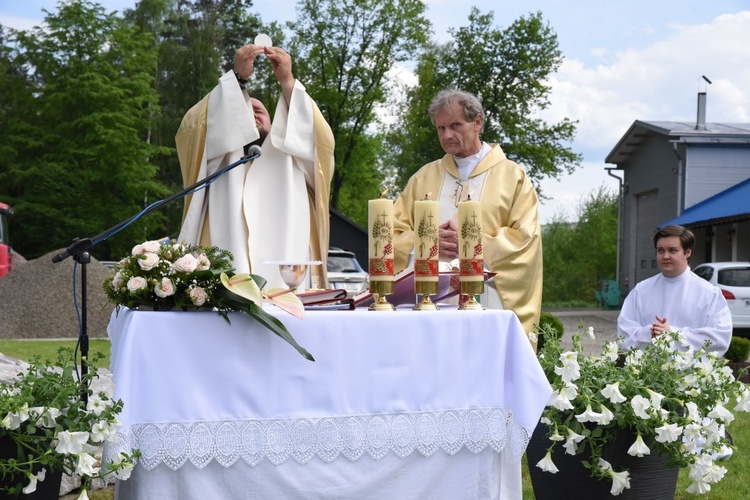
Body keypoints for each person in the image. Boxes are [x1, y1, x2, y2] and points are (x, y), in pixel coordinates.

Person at [176, 42, 335, 289]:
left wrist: (288, 82)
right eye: (243, 110)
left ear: (279, 122)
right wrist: (237, 80)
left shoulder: (293, 158)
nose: (252, 115)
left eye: (259, 111)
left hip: (287, 286)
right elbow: (192, 129)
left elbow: (318, 139)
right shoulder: (220, 159)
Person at [393, 89, 543, 339]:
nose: (447, 135)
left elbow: (525, 240)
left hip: (486, 301)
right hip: (430, 307)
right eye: (440, 128)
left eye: (455, 125)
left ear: (477, 122)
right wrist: (425, 245)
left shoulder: (512, 176)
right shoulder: (423, 178)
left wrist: (472, 246)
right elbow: (392, 235)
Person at [617, 225, 732, 354]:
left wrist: (673, 333)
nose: (665, 256)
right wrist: (650, 332)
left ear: (687, 252)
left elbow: (720, 338)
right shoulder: (641, 290)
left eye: (672, 250)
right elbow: (624, 333)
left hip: (691, 372)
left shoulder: (709, 293)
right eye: (660, 250)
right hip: (648, 372)